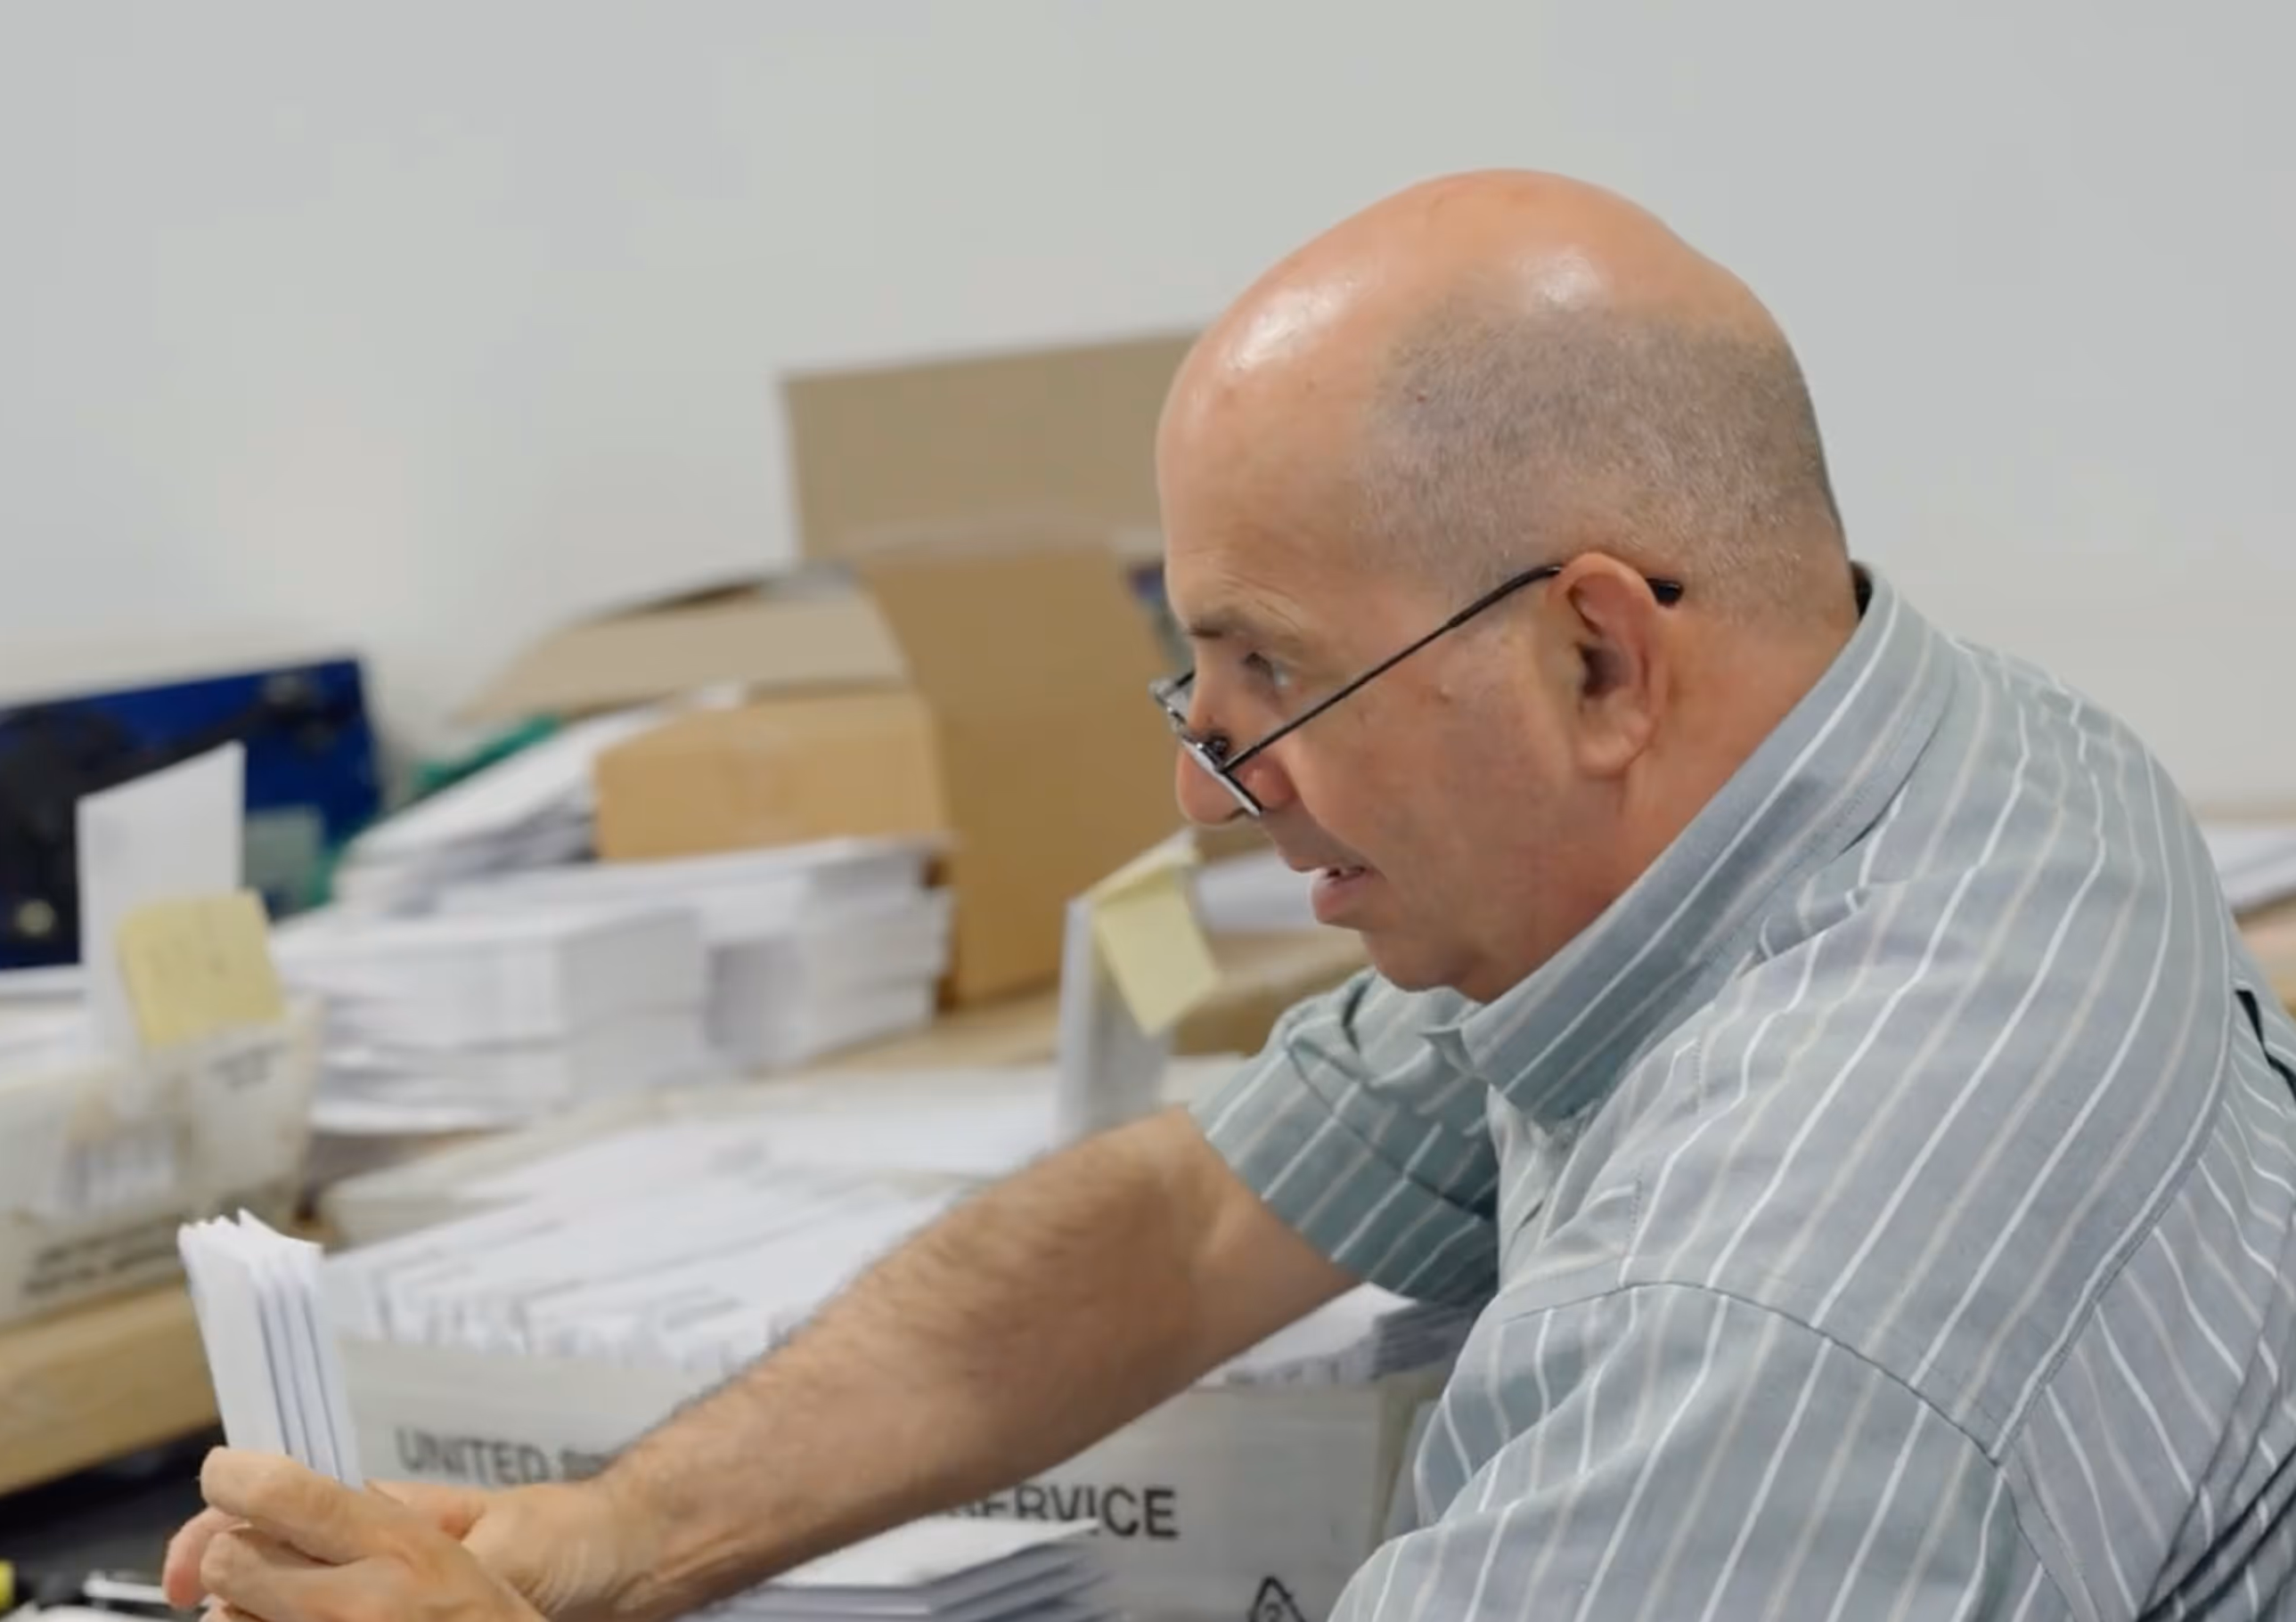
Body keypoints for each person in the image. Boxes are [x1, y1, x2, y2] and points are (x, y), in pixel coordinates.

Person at [164, 172, 2296, 1619]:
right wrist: (587, 1543)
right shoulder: (1914, 756)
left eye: (1278, 674)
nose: (1205, 783)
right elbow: (1192, 1222)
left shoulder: (1759, 1319)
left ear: (1595, 657)